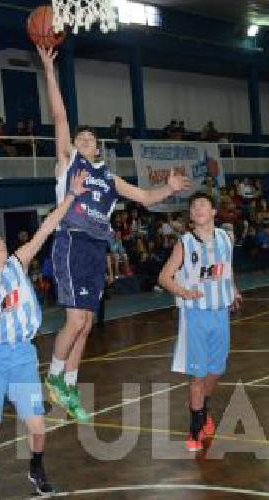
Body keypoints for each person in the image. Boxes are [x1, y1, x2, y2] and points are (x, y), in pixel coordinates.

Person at [37, 44, 190, 421]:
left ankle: (68, 387)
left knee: (86, 325)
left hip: (95, 248)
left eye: (90, 138)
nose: (83, 140)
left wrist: (169, 189)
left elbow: (143, 196)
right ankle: (53, 378)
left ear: (99, 146)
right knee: (74, 321)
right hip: (70, 240)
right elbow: (59, 116)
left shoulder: (110, 177)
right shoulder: (68, 163)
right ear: (73, 146)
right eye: (79, 137)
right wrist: (48, 69)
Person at [0, 170, 87, 500]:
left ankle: (36, 468)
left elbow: (46, 227)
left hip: (21, 354)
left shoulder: (18, 263)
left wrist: (70, 197)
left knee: (36, 426)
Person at [157, 192, 242, 452]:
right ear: (192, 216)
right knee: (197, 374)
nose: (198, 208)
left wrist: (234, 290)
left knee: (216, 370)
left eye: (203, 204)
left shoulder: (226, 238)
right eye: (194, 206)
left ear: (214, 212)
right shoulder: (184, 243)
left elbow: (226, 269)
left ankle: (201, 407)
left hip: (220, 313)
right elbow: (164, 277)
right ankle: (196, 427)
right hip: (195, 315)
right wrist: (184, 293)